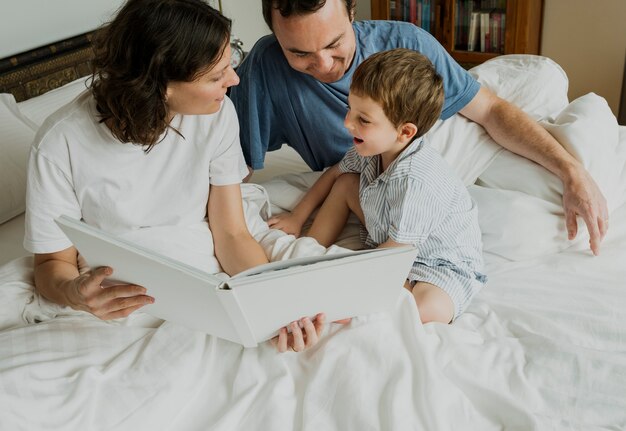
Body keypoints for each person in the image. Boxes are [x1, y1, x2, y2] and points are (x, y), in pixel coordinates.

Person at [23, 0, 321, 353]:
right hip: (123, 289)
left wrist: (272, 306)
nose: (234, 79)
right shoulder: (60, 143)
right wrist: (74, 293)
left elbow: (231, 233)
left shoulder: (217, 112)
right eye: (216, 75)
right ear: (160, 85)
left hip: (201, 270)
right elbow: (51, 264)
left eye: (232, 60)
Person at [230, 0, 609, 256]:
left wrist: (572, 171)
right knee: (522, 228)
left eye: (335, 44)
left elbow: (489, 111)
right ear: (277, 38)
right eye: (300, 53)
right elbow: (234, 166)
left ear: (351, 13)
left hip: (444, 141)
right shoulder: (264, 68)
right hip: (372, 173)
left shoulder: (405, 43)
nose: (325, 64)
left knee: (546, 94)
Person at [269, 49, 486, 323]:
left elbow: (395, 254)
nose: (348, 123)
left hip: (437, 263)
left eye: (363, 119)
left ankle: (343, 301)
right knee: (346, 182)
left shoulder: (417, 181)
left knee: (428, 308)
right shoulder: (371, 149)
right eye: (350, 109)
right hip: (391, 234)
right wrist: (297, 217)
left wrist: (344, 288)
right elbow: (335, 174)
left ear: (405, 132)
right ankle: (312, 252)